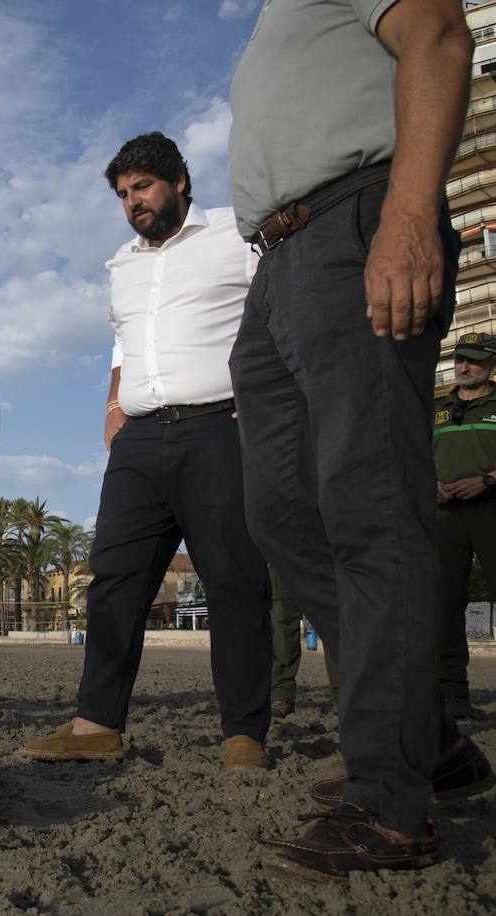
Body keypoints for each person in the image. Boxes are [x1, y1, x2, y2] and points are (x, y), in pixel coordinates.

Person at [228, 0, 491, 879]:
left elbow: (442, 37)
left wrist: (411, 215)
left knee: (371, 507)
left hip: (354, 220)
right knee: (280, 513)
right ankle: (424, 735)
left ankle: (389, 804)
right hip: (278, 263)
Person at [20, 133, 272, 770]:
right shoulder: (121, 264)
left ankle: (244, 733)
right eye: (124, 193)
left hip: (219, 428)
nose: (133, 202)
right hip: (139, 440)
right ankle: (96, 725)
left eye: (144, 187)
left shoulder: (236, 235)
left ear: (180, 182)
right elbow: (125, 345)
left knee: (233, 580)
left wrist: (266, 393)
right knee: (114, 581)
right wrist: (113, 408)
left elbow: (275, 311)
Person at [434, 331, 496, 719]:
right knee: (445, 606)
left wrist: (488, 479)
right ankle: (454, 695)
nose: (463, 366)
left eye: (472, 359)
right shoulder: (437, 409)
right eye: (459, 359)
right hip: (444, 516)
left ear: (491, 366)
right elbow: (412, 453)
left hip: (490, 509)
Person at [269, 568, 338, 719]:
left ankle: (344, 693)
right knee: (282, 617)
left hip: (323, 552)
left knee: (334, 613)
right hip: (282, 550)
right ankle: (281, 693)